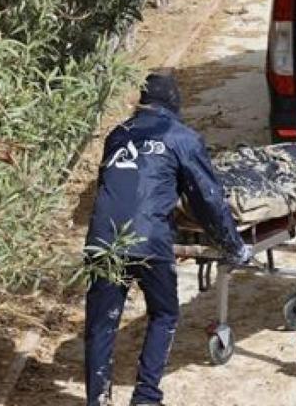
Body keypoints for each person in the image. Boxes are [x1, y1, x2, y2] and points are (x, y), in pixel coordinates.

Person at [83, 73, 250, 406]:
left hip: (102, 240)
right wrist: (233, 245)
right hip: (149, 241)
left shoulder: (118, 134)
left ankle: (97, 401)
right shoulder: (181, 137)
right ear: (174, 103)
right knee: (163, 313)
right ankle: (146, 396)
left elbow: (116, 185)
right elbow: (208, 197)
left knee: (101, 323)